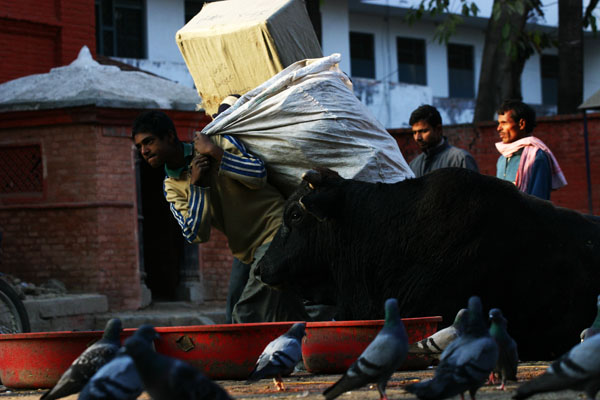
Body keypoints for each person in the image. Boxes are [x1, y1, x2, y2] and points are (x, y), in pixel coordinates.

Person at [131, 104, 308, 324]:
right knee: (242, 310)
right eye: (139, 146)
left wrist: (216, 153)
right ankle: (308, 347)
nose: (144, 151)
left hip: (278, 229)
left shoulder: (215, 142)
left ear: (169, 136)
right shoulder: (172, 188)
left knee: (245, 314)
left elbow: (258, 174)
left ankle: (245, 358)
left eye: (148, 141)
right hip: (246, 250)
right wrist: (198, 186)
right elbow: (196, 234)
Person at [495, 99, 567, 200]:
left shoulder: (537, 156)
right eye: (499, 123)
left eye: (504, 123)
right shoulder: (502, 159)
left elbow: (539, 202)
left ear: (521, 124)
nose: (499, 128)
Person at [408, 104, 479, 177]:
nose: (417, 137)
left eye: (423, 131)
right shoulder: (413, 165)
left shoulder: (460, 159)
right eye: (414, 132)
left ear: (438, 129)